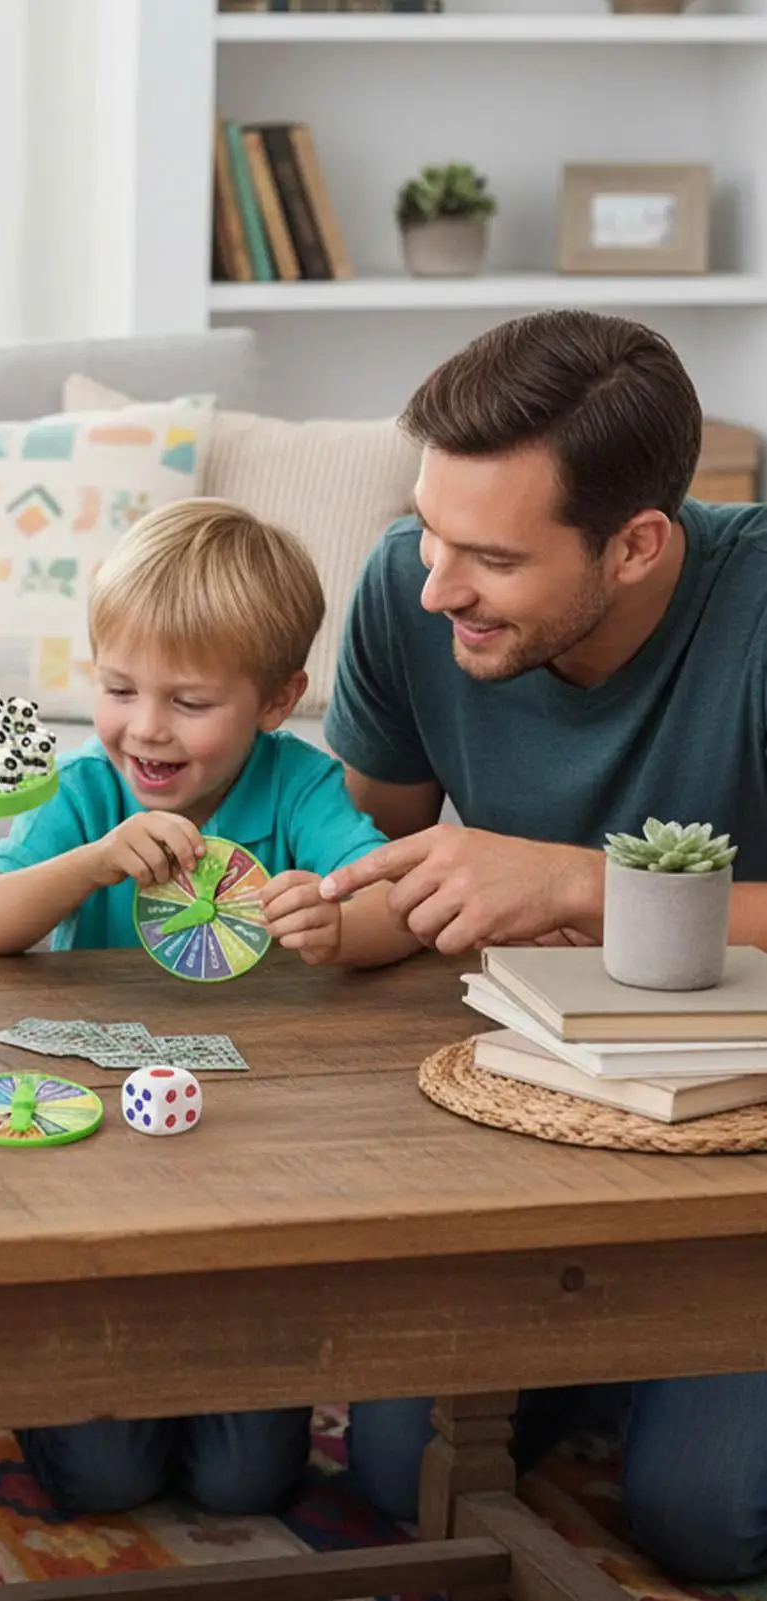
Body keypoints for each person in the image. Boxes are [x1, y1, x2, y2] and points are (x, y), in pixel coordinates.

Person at [317, 309, 767, 1583]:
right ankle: (636, 1356)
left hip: (745, 1139)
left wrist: (577, 879)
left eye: (491, 557)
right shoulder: (407, 594)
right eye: (427, 527)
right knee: (397, 1462)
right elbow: (361, 857)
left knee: (699, 1517)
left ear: (634, 545)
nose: (433, 584)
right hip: (548, 1108)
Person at [0, 497, 419, 1514]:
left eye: (188, 700)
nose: (145, 725)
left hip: (247, 1160)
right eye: (118, 687)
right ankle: (60, 1371)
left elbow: (394, 904)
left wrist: (340, 924)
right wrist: (85, 863)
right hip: (93, 1154)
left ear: (277, 697)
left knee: (243, 1484)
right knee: (105, 1479)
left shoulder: (300, 788)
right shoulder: (84, 789)